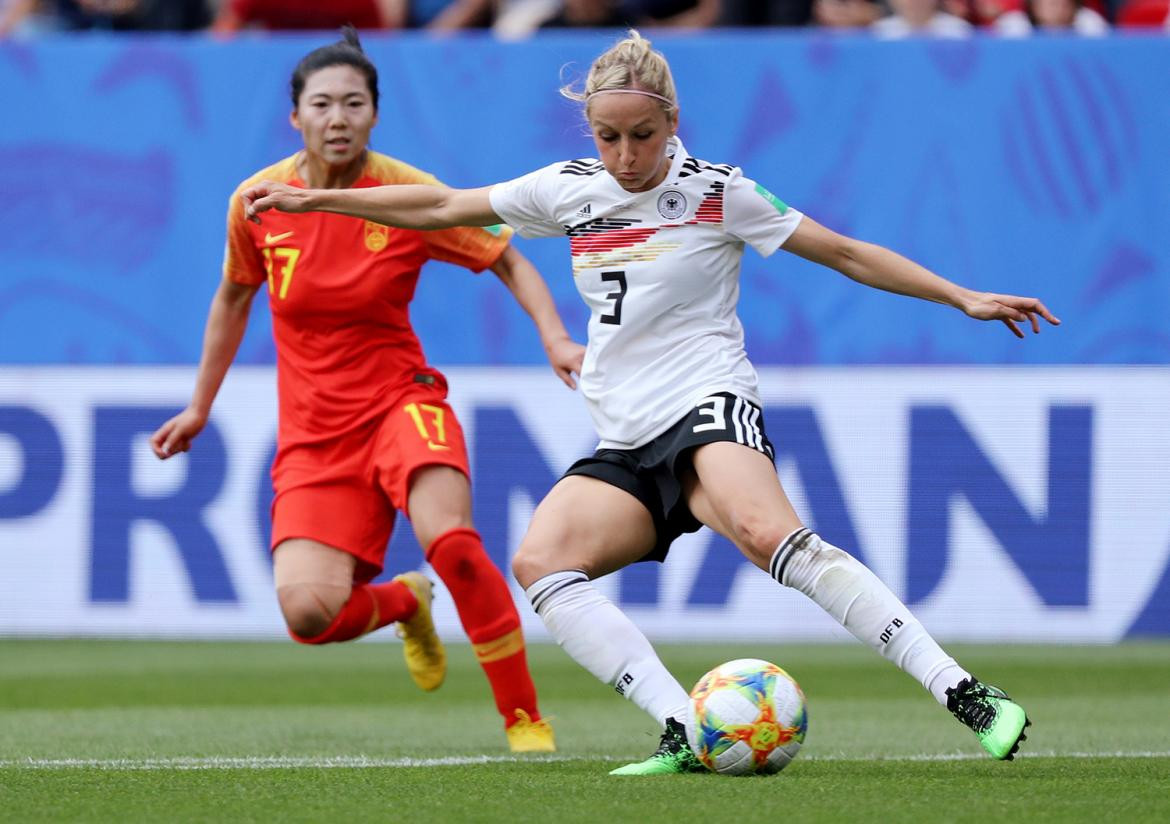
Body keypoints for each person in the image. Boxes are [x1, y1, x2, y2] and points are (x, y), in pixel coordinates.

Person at [239, 30, 1059, 775]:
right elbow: (445, 206)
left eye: (642, 135)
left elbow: (844, 253)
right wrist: (318, 201)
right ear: (590, 132)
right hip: (628, 435)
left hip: (707, 405)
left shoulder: (718, 192)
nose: (626, 155)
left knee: (771, 536)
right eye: (608, 137)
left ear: (672, 122)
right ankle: (681, 726)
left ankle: (965, 693)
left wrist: (963, 297)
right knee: (540, 563)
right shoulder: (568, 191)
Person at [151, 28, 578, 753]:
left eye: (354, 102)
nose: (338, 117)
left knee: (456, 545)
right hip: (316, 433)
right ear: (296, 117)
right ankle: (405, 602)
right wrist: (200, 406)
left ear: (375, 113)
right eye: (322, 103)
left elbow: (507, 255)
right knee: (309, 615)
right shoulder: (258, 204)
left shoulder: (406, 194)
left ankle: (524, 721)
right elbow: (232, 299)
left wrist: (554, 336)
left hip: (399, 402)